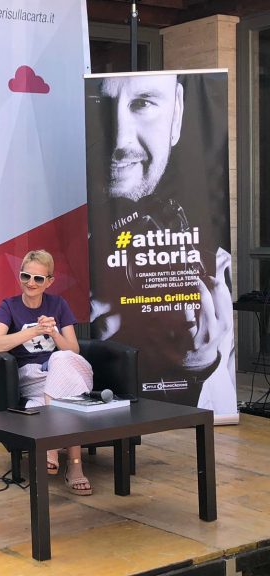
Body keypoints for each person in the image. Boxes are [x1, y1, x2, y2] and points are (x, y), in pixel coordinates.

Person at [87, 73, 235, 413]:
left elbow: (221, 408)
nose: (120, 139)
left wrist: (201, 363)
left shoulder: (214, 268)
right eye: (99, 105)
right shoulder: (49, 264)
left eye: (143, 103)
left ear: (177, 113)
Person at [0, 250, 94, 496]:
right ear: (20, 276)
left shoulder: (58, 304)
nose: (31, 283)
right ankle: (75, 465)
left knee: (60, 358)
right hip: (32, 376)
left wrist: (53, 332)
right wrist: (34, 331)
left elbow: (74, 350)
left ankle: (51, 444)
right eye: (26, 276)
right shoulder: (9, 306)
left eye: (38, 278)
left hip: (68, 372)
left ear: (49, 281)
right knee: (64, 398)